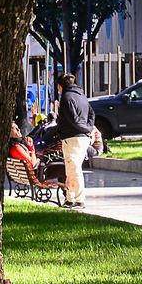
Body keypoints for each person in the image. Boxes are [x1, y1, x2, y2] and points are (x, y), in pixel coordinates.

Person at [53, 73, 95, 208]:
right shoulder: (81, 96)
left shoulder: (66, 97)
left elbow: (73, 119)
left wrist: (84, 129)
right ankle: (70, 198)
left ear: (60, 86)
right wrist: (88, 127)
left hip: (72, 137)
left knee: (74, 169)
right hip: (81, 137)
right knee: (72, 169)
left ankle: (78, 199)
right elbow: (91, 114)